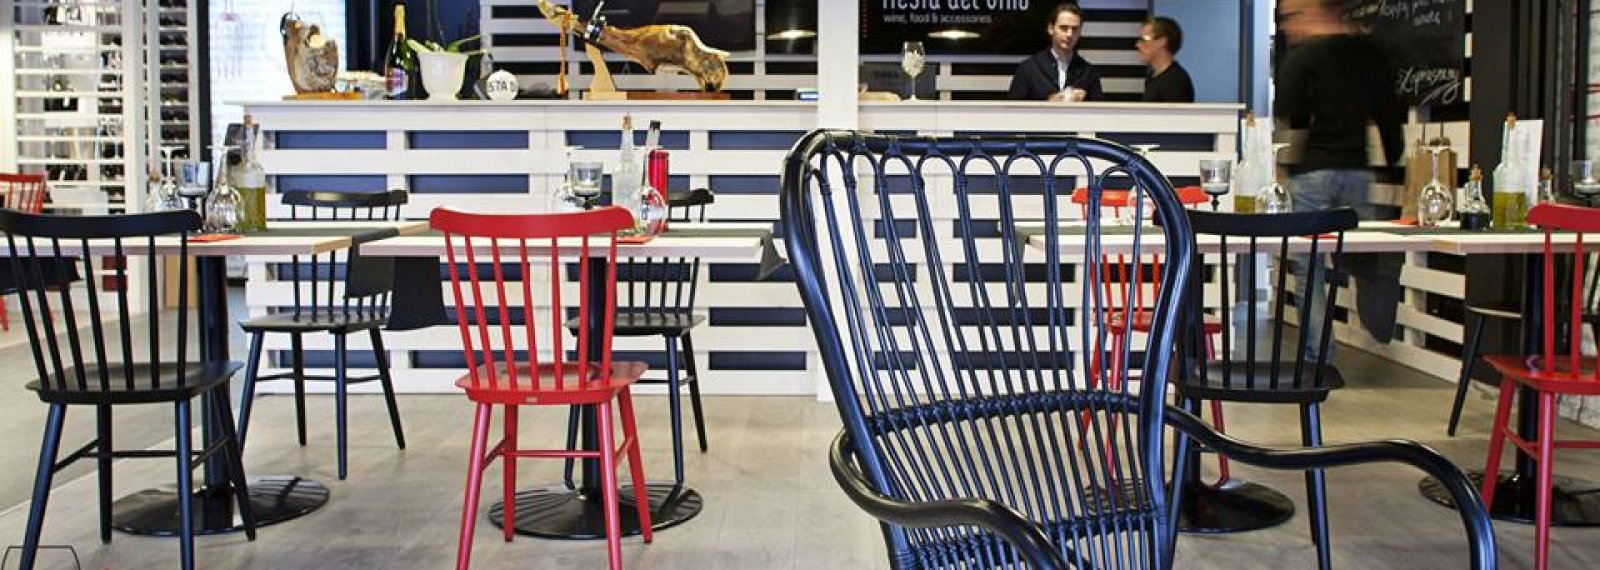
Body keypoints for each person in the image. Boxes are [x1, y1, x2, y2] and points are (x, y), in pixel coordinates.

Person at [1274, 0, 1405, 361]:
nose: (1288, 27)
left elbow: (1289, 117)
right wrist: (1394, 163)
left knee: (1309, 266)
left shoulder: (1302, 59)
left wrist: (1286, 169)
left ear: (1316, 11)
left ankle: (1318, 355)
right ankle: (1378, 312)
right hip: (1358, 171)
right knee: (1363, 253)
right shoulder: (1369, 55)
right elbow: (1388, 114)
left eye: (1292, 17)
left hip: (1313, 173)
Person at [1008, 3, 1103, 102]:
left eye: (1075, 29)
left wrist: (1082, 103)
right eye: (1064, 28)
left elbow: (1100, 109)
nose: (1069, 34)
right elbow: (1012, 108)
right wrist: (1049, 102)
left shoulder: (1089, 73)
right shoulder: (1029, 69)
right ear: (1051, 29)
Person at [1136, 16, 1194, 103]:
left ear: (1162, 42)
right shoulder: (1152, 77)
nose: (1138, 45)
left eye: (1143, 39)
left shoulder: (1174, 80)